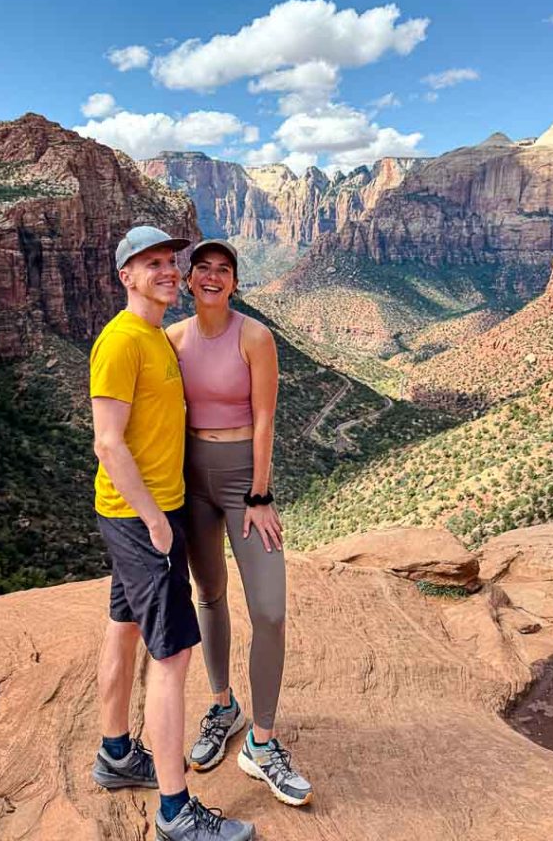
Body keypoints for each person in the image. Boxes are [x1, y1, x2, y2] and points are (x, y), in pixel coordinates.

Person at [90, 225, 255, 841]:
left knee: (124, 626)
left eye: (169, 260)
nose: (166, 270)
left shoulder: (155, 335)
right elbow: (107, 442)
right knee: (173, 655)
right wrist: (159, 525)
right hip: (144, 520)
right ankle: (175, 810)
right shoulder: (122, 341)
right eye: (149, 263)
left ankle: (114, 754)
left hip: (144, 515)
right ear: (125, 276)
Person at [166, 239, 313, 808]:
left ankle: (262, 739)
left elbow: (263, 416)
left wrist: (259, 494)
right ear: (189, 280)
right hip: (190, 481)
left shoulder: (255, 337)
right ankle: (224, 706)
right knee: (209, 594)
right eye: (201, 268)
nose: (211, 277)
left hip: (241, 485)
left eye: (222, 271)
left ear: (233, 283)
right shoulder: (172, 340)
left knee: (270, 610)